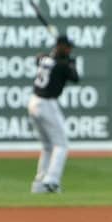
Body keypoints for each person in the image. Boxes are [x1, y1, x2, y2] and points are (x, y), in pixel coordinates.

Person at [27, 34, 79, 193]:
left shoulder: (45, 59)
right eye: (68, 47)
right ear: (61, 46)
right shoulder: (62, 65)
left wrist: (63, 58)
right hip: (47, 103)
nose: (70, 49)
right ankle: (51, 182)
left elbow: (39, 58)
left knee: (48, 145)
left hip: (33, 102)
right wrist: (70, 63)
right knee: (61, 145)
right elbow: (75, 78)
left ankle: (40, 183)